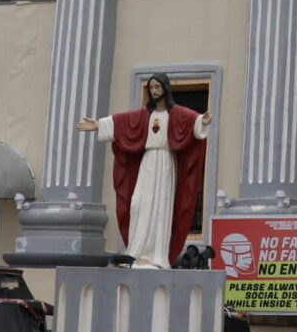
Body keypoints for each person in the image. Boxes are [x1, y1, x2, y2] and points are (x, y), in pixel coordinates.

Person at [76, 74, 211, 268]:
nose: (155, 91)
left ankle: (156, 255)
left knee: (160, 207)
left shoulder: (175, 113)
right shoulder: (144, 115)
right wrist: (98, 125)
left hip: (164, 164)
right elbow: (122, 122)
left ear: (165, 89)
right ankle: (136, 252)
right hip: (147, 164)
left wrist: (202, 121)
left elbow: (192, 121)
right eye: (152, 87)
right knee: (138, 204)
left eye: (158, 87)